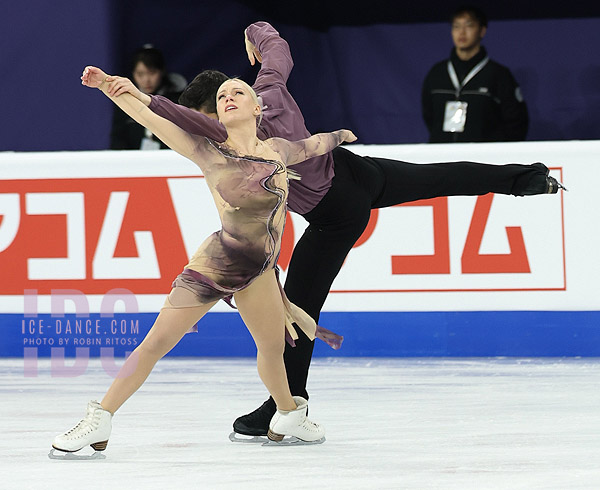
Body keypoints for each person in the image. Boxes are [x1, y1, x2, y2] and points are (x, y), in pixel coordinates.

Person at [113, 21, 565, 441]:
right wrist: (256, 31)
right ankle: (526, 179)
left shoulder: (258, 144)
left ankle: (287, 405)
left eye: (208, 116)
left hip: (337, 212)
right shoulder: (264, 93)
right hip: (356, 170)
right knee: (441, 176)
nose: (208, 128)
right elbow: (276, 50)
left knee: (299, 309)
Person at [50, 65, 356, 456]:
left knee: (271, 350)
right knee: (155, 343)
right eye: (222, 95)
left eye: (237, 92)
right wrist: (110, 87)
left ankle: (288, 413)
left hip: (259, 271)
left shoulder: (277, 150)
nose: (227, 97)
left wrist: (341, 136)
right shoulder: (208, 150)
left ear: (258, 108)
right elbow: (148, 116)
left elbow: (313, 146)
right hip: (218, 262)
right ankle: (100, 418)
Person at [422, 5, 529, 143]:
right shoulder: (437, 73)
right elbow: (429, 116)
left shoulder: (498, 74)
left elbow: (516, 123)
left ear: (482, 30)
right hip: (443, 157)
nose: (462, 32)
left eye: (469, 25)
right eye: (456, 26)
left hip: (483, 159)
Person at [110, 45, 187, 150]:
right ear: (133, 74)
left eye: (152, 73)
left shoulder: (178, 101)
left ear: (162, 71)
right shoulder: (124, 100)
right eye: (140, 74)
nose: (146, 80)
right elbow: (117, 139)